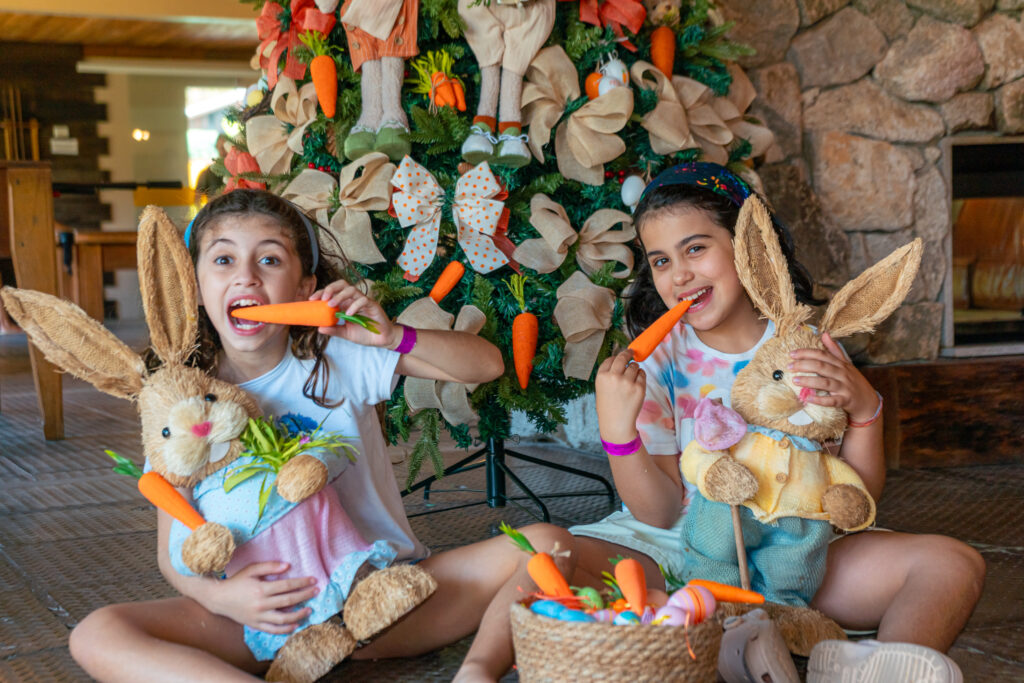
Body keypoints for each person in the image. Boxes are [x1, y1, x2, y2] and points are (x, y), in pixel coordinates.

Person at [67, 189, 578, 683]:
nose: (246, 276)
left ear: (303, 286)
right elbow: (171, 550)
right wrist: (223, 599)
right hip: (265, 616)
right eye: (223, 260)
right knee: (97, 633)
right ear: (194, 287)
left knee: (547, 544)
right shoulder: (179, 403)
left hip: (381, 603)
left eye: (269, 260)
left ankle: (476, 672)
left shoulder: (340, 357)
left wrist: (392, 336)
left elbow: (487, 366)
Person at [568, 162, 985, 678]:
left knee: (953, 564)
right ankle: (714, 633)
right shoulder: (657, 363)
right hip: (684, 552)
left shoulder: (805, 347)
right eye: (660, 260)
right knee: (550, 555)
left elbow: (851, 500)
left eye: (695, 248)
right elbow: (658, 512)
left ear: (749, 249)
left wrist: (864, 409)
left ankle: (880, 671)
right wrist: (618, 435)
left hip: (798, 550)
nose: (678, 275)